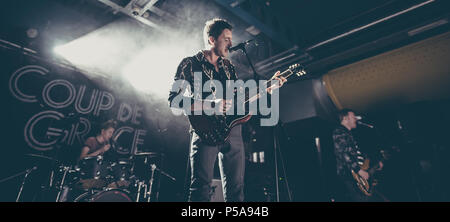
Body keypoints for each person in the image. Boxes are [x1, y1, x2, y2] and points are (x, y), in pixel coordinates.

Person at [168, 18, 286, 201]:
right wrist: (210, 104)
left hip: (233, 130)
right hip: (204, 129)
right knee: (201, 186)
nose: (231, 44)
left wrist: (268, 88)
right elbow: (174, 100)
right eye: (226, 39)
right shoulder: (189, 64)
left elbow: (236, 101)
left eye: (231, 39)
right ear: (211, 39)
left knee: (236, 187)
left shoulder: (229, 67)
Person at [332, 109, 383, 201]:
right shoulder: (339, 132)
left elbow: (357, 156)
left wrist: (375, 165)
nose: (356, 119)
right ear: (345, 118)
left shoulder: (348, 134)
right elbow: (344, 154)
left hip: (356, 173)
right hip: (351, 175)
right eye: (353, 117)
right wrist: (358, 170)